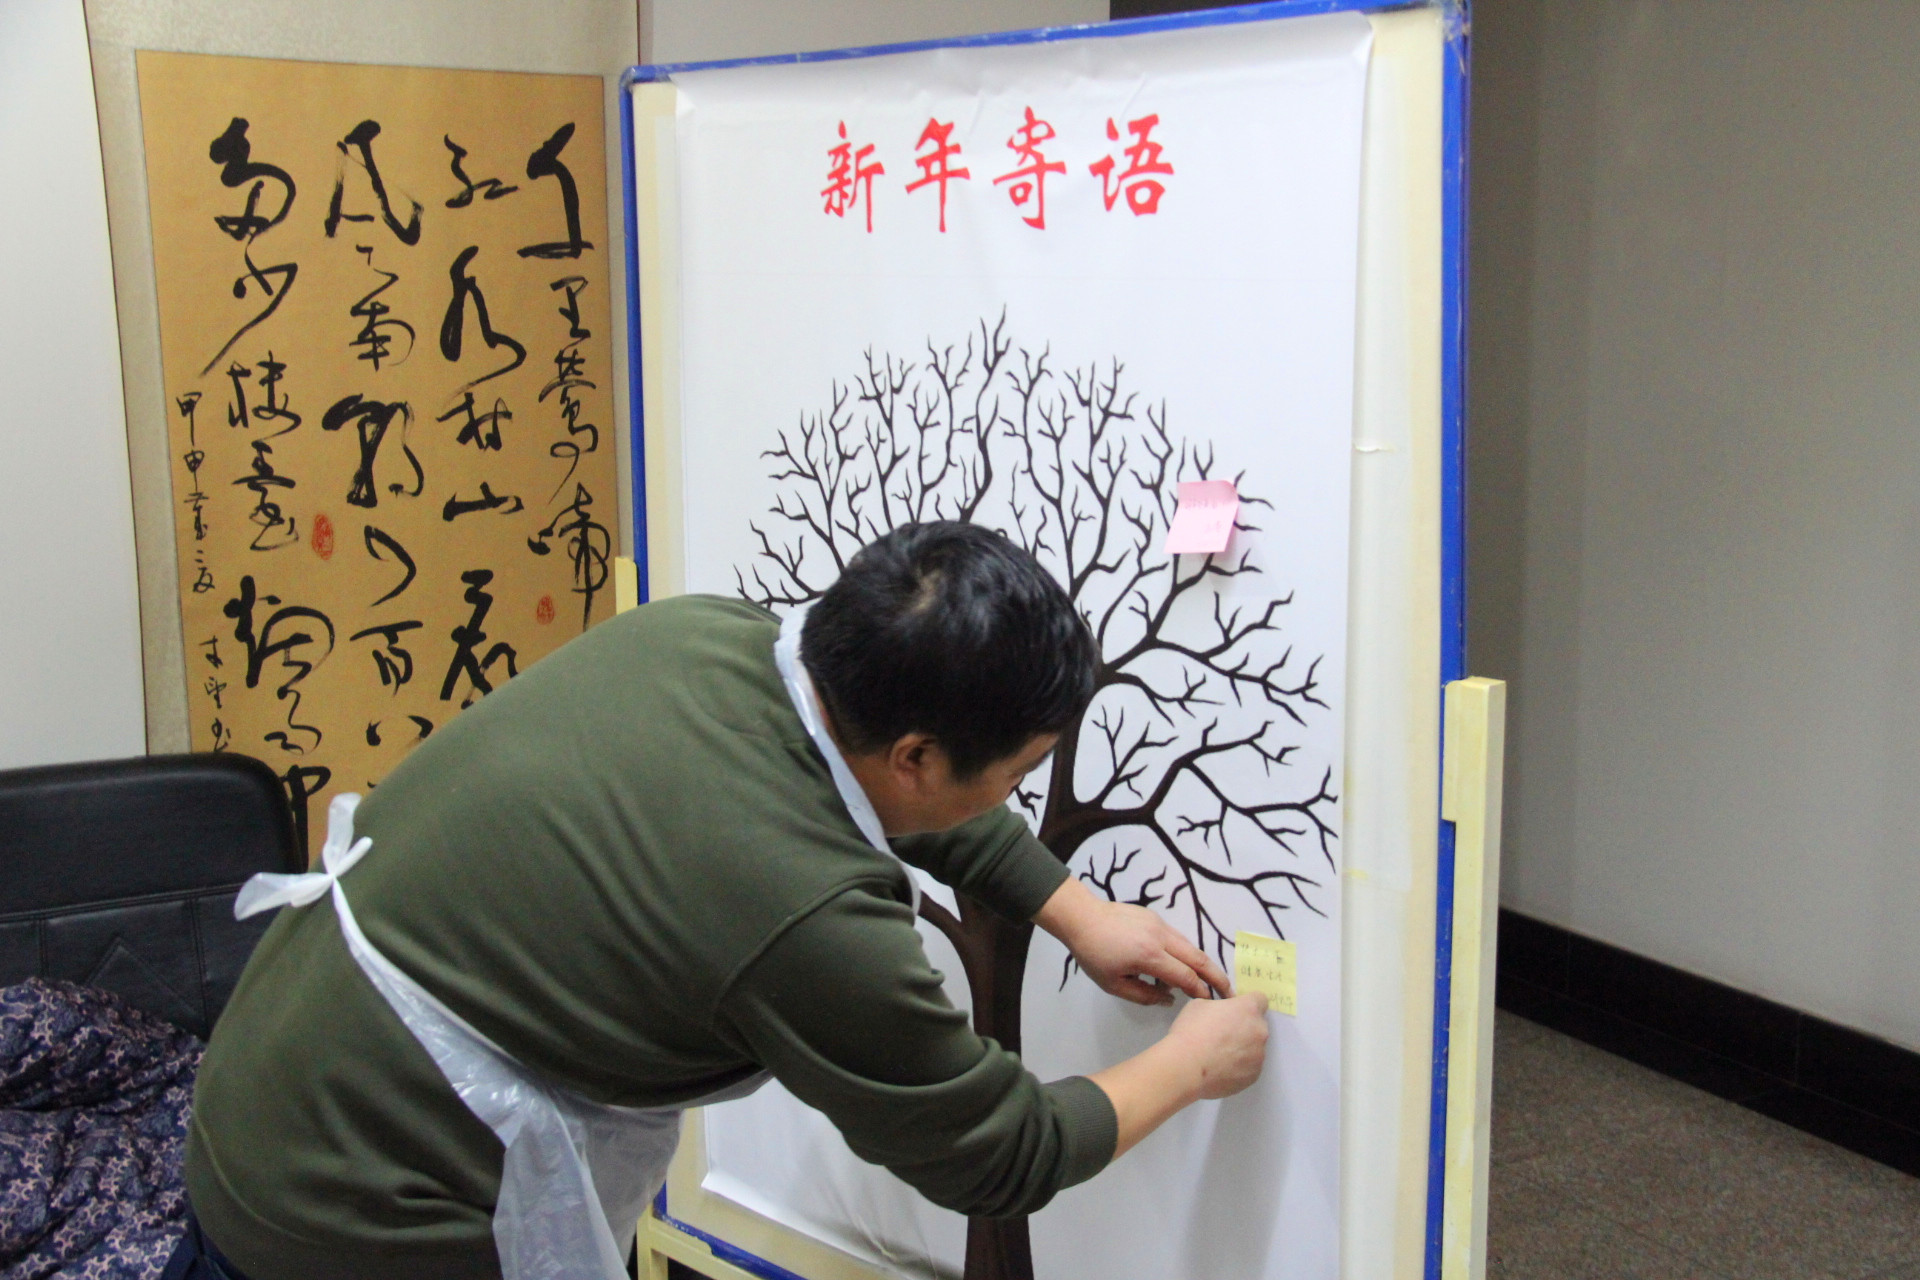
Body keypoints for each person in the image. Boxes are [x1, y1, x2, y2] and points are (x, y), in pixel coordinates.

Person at [170, 521, 1270, 1280]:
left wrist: (1070, 906)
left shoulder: (714, 638)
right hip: (346, 1201)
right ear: (919, 755)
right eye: (1018, 772)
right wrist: (1189, 1064)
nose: (1017, 795)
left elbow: (882, 786)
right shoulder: (811, 918)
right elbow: (996, 1150)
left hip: (275, 1073)